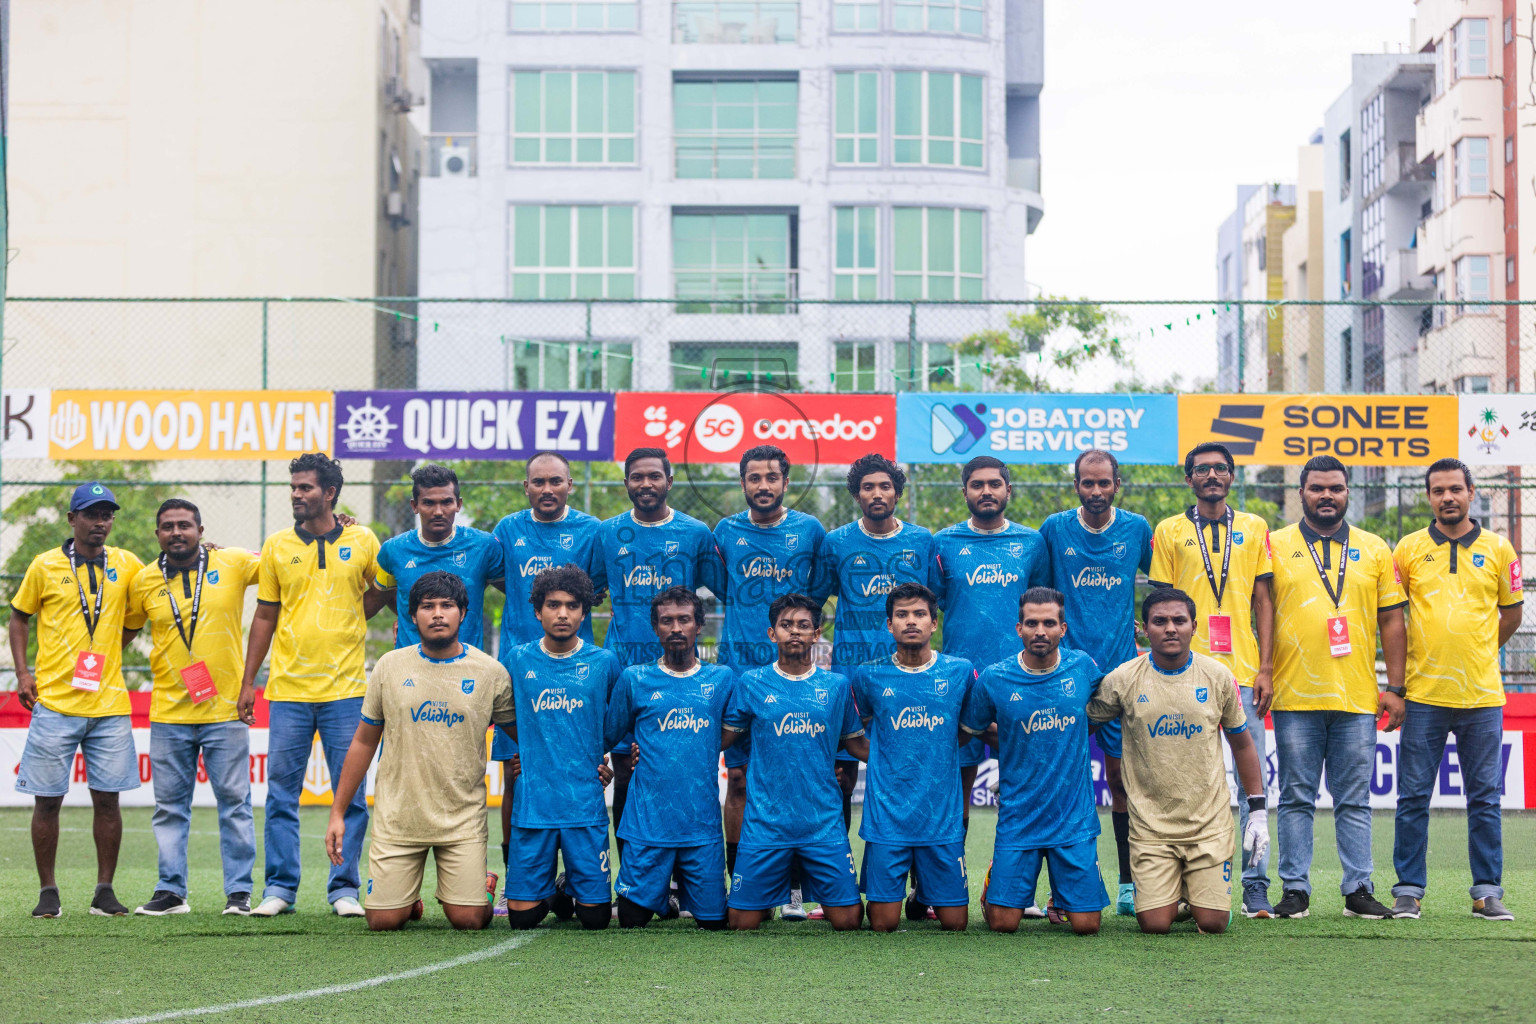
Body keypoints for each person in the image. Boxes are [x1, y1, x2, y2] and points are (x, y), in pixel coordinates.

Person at [325, 572, 513, 931]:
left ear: (464, 613)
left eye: (447, 606)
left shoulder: (491, 672)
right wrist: (337, 812)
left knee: (469, 920)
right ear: (413, 616)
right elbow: (364, 741)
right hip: (399, 817)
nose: (437, 614)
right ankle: (405, 898)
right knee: (383, 922)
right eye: (427, 607)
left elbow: (525, 735)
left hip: (461, 820)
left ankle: (480, 884)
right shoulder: (389, 666)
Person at [239, 453, 383, 918]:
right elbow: (264, 615)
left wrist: (350, 619)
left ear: (330, 493)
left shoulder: (362, 539)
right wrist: (248, 683)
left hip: (346, 691)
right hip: (287, 692)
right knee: (281, 794)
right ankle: (279, 889)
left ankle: (344, 889)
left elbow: (383, 588)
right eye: (294, 488)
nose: (297, 495)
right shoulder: (277, 545)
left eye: (306, 488)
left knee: (353, 795)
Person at [1267, 455, 1405, 921]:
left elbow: (1391, 619)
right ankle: (1295, 889)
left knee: (1354, 799)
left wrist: (1396, 686)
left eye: (1336, 488)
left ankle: (1358, 889)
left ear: (1348, 493)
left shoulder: (1375, 548)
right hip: (1293, 694)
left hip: (1357, 696)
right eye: (1317, 488)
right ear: (1301, 493)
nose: (1327, 495)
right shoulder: (1274, 544)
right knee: (1295, 796)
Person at [1087, 588, 1270, 935]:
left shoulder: (1217, 677)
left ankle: (1197, 892)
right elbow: (1078, 727)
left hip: (1208, 825)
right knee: (1155, 924)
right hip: (1151, 828)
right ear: (1143, 629)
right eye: (1160, 621)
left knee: (1213, 923)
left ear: (1194, 626)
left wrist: (1258, 810)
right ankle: (1180, 892)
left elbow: (1243, 745)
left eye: (1178, 620)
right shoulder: (1122, 680)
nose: (1170, 628)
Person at [1148, 441, 1277, 918]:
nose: (1212, 476)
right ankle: (1181, 887)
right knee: (1183, 781)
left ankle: (1256, 884)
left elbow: (1264, 602)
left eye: (1221, 469)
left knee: (1251, 783)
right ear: (1189, 478)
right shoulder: (1170, 530)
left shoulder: (1255, 527)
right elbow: (1162, 605)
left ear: (1231, 476)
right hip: (1185, 674)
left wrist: (1265, 667)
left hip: (1241, 673)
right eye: (1202, 469)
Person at [1390, 457, 1522, 922]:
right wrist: (1398, 685)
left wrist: (1480, 650)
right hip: (1424, 696)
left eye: (1455, 489)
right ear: (1428, 497)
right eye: (1438, 490)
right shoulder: (1406, 550)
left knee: (1485, 797)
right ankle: (1408, 890)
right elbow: (1392, 619)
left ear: (1471, 492)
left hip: (1482, 696)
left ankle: (1487, 892)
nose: (1447, 497)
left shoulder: (1500, 549)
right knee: (1411, 797)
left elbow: (1512, 614)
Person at [10, 482, 146, 918]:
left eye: (107, 515)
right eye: (91, 514)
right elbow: (19, 617)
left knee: (109, 800)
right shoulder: (44, 565)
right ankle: (48, 890)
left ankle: (104, 890)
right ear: (72, 519)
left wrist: (112, 651)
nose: (100, 522)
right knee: (47, 800)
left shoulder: (126, 564)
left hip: (109, 707)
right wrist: (23, 672)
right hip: (54, 704)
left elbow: (160, 585)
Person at [128, 499, 261, 917]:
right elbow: (123, 631)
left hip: (224, 712)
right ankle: (171, 891)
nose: (176, 533)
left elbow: (286, 556)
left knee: (235, 803)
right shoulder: (143, 580)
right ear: (158, 535)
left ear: (201, 530)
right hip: (169, 713)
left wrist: (337, 524)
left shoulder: (234, 562)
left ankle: (239, 893)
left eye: (184, 525)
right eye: (167, 526)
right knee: (169, 808)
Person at [592, 447, 724, 864]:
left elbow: (724, 590)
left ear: (669, 481)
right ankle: (634, 875)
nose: (645, 484)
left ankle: (687, 877)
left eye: (654, 476)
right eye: (636, 477)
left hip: (683, 671)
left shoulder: (695, 532)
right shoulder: (607, 532)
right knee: (627, 773)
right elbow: (589, 590)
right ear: (626, 482)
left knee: (682, 771)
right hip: (625, 672)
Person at [1038, 450, 1153, 917]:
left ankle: (1130, 884)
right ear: (1076, 486)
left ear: (1117, 484)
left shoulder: (1137, 528)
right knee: (1061, 784)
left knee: (1125, 782)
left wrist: (1143, 626)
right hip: (1067, 676)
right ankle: (1059, 890)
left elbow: (1161, 586)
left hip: (1124, 674)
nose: (1097, 491)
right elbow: (1042, 599)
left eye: (1104, 483)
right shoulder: (1055, 529)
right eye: (1088, 483)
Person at [813, 454, 938, 877]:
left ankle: (925, 887)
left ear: (897, 493)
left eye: (885, 486)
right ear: (856, 493)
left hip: (910, 676)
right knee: (840, 781)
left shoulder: (922, 541)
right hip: (850, 674)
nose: (877, 493)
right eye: (868, 487)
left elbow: (931, 602)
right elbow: (814, 601)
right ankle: (838, 878)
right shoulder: (836, 542)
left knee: (915, 774)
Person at [489, 451, 604, 912]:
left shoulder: (591, 532)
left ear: (570, 485)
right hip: (520, 672)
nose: (547, 489)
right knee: (515, 776)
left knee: (585, 772)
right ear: (527, 487)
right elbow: (498, 578)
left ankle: (585, 877)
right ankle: (521, 878)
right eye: (538, 482)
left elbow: (596, 587)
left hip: (578, 672)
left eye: (556, 481)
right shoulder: (507, 530)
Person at [962, 587, 1107, 935]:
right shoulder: (995, 678)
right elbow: (975, 727)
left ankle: (1063, 896)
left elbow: (1103, 711)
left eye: (1048, 623)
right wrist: (1013, 740)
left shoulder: (1083, 667)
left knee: (1087, 926)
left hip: (1073, 817)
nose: (1039, 630)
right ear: (1018, 629)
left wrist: (1069, 735)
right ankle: (994, 882)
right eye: (1031, 623)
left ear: (1063, 628)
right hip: (1019, 816)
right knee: (1002, 924)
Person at [931, 455, 1049, 877]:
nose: (986, 491)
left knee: (1024, 789)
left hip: (1021, 681)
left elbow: (1042, 609)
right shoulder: (942, 543)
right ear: (964, 492)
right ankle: (944, 886)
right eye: (977, 484)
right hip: (960, 684)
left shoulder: (1032, 543)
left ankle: (1016, 889)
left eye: (994, 484)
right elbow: (935, 605)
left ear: (1008, 491)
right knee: (955, 791)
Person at [712, 445, 825, 885]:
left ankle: (798, 887)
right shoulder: (724, 531)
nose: (763, 486)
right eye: (754, 478)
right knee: (737, 780)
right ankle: (739, 880)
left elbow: (814, 597)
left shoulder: (810, 531)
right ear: (742, 483)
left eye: (772, 478)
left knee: (797, 780)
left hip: (796, 675)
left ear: (785, 482)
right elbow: (720, 587)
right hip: (740, 674)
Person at [722, 593, 867, 931]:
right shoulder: (751, 683)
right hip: (765, 824)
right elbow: (721, 739)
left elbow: (858, 745)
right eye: (786, 625)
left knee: (848, 921)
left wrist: (912, 752)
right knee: (741, 923)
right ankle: (766, 897)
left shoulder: (836, 686)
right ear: (772, 634)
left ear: (817, 634)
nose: (795, 632)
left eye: (804, 626)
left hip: (822, 823)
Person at [604, 587, 736, 929]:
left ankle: (674, 897)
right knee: (631, 920)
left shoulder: (721, 679)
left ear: (699, 625)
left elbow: (738, 731)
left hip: (701, 825)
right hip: (649, 824)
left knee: (714, 922)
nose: (676, 627)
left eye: (684, 619)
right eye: (666, 621)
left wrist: (693, 747)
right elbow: (605, 735)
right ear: (655, 627)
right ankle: (570, 888)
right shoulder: (634, 678)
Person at [502, 564, 623, 930]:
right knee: (522, 921)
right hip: (534, 805)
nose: (563, 614)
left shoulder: (604, 662)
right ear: (538, 611)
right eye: (553, 605)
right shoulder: (518, 660)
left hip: (583, 804)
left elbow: (616, 722)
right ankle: (555, 891)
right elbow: (504, 714)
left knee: (595, 919)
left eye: (572, 605)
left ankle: (569, 883)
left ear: (584, 612)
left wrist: (595, 755)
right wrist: (531, 749)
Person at [851, 583, 973, 932]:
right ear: (889, 625)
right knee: (883, 925)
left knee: (956, 924)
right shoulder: (868, 674)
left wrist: (944, 749)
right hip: (887, 818)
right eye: (901, 615)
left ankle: (922, 894)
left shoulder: (960, 671)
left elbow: (973, 727)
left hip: (941, 818)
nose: (911, 621)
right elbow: (851, 733)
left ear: (934, 624)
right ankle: (911, 892)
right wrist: (884, 758)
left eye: (920, 614)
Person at [370, 463, 504, 652]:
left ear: (458, 504)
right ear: (414, 506)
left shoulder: (483, 546)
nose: (438, 511)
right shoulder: (394, 550)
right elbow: (373, 602)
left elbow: (519, 594)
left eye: (446, 502)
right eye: (429, 503)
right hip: (410, 671)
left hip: (466, 670)